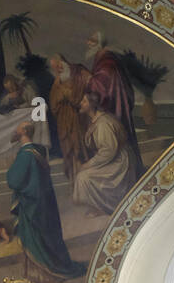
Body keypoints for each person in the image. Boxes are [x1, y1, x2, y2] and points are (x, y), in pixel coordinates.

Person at [6, 121, 87, 283]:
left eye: (18, 128)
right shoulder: (38, 150)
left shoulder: (26, 155)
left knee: (35, 238)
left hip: (31, 204)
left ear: (23, 132)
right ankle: (49, 270)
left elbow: (13, 181)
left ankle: (46, 275)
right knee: (47, 236)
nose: (15, 130)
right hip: (44, 201)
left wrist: (11, 168)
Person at [84, 32, 143, 173]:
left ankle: (123, 171)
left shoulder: (107, 60)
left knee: (115, 138)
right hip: (113, 102)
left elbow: (104, 80)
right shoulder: (102, 58)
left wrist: (90, 80)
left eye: (91, 41)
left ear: (99, 43)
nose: (88, 43)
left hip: (114, 106)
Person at [73, 91, 138, 215]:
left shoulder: (103, 123)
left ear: (92, 104)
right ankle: (98, 205)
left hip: (120, 162)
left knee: (84, 176)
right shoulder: (95, 121)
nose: (80, 104)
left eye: (84, 101)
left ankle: (102, 206)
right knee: (84, 174)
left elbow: (108, 151)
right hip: (112, 158)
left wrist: (89, 164)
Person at [48, 53, 91, 183]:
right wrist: (61, 95)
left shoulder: (78, 74)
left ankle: (86, 182)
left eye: (59, 66)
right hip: (64, 123)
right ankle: (75, 182)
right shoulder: (57, 82)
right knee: (69, 151)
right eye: (55, 68)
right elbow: (53, 104)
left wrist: (69, 95)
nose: (58, 70)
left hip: (79, 120)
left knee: (81, 150)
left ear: (64, 62)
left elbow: (82, 94)